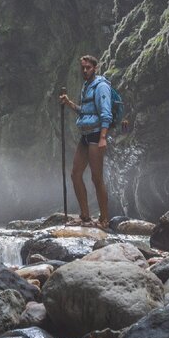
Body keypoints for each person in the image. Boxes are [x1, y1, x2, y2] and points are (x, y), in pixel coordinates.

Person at [58, 55, 112, 229]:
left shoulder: (101, 86)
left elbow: (106, 113)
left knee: (96, 178)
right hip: (85, 135)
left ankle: (104, 220)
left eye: (88, 67)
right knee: (75, 174)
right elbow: (85, 111)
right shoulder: (86, 86)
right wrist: (69, 103)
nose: (85, 70)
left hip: (97, 135)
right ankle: (85, 216)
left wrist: (103, 137)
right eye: (83, 68)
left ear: (95, 68)